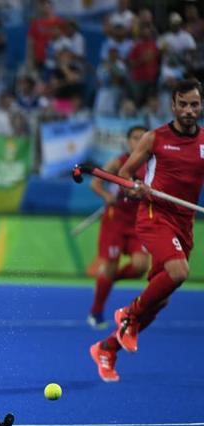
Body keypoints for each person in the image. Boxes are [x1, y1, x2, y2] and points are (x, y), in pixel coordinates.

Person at [90, 79, 204, 382]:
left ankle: (106, 347)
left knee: (160, 298)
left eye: (195, 104)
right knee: (179, 272)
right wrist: (134, 189)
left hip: (184, 222)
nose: (190, 110)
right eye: (184, 104)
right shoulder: (155, 138)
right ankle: (127, 314)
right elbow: (125, 175)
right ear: (173, 105)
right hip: (155, 214)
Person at [86, 126, 150, 329]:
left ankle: (110, 279)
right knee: (110, 264)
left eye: (143, 138)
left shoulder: (152, 165)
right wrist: (107, 196)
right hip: (115, 221)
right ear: (128, 141)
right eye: (134, 138)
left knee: (140, 267)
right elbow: (95, 184)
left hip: (138, 222)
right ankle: (96, 312)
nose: (138, 141)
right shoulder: (118, 162)